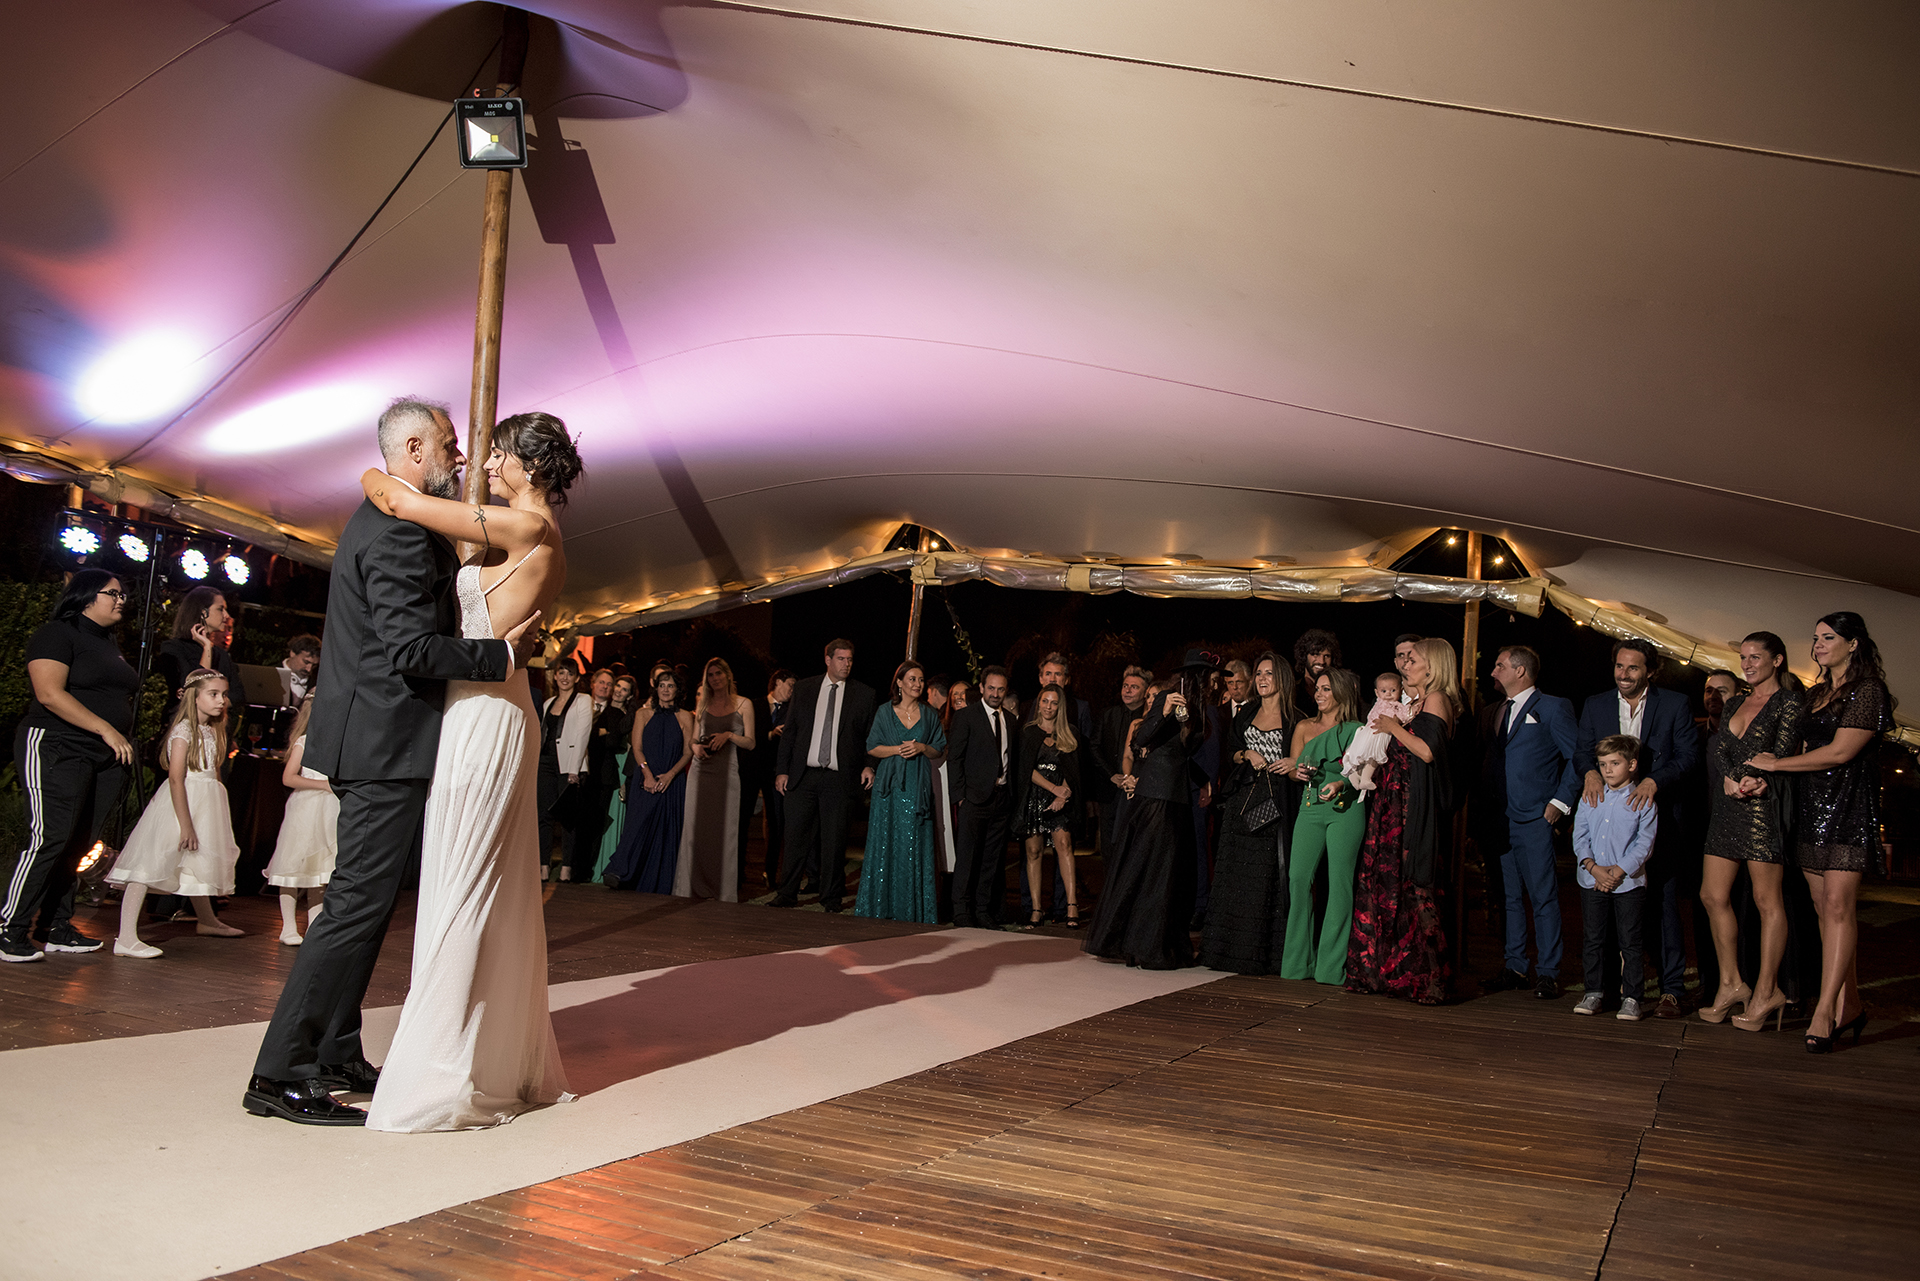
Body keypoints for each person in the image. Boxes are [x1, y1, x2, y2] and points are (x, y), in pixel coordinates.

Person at [246, 397, 544, 1127]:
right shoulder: (399, 533)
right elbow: (410, 649)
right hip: (382, 744)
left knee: (367, 905)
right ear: (414, 451)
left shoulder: (392, 515)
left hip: (378, 739)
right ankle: (280, 1070)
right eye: (448, 444)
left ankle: (336, 1049)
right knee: (352, 906)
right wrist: (502, 655)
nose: (461, 457)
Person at [347, 405, 578, 1131]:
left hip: (488, 715)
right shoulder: (516, 529)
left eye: (498, 454)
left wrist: (370, 468)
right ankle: (482, 1054)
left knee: (467, 884)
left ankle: (444, 1067)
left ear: (531, 466)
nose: (484, 464)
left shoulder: (530, 527)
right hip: (479, 708)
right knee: (472, 882)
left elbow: (400, 499)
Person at [1749, 611, 1895, 1053]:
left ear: (1853, 644)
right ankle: (1850, 1003)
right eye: (1815, 639)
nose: (1818, 645)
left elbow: (1840, 752)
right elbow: (1801, 748)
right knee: (1820, 906)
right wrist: (1763, 775)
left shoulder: (1869, 691)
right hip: (1811, 806)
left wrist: (1775, 764)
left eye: (1828, 638)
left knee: (1837, 906)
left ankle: (1824, 1010)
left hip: (1850, 805)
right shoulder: (1814, 694)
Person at [1, 569, 136, 962]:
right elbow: (48, 692)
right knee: (50, 837)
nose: (121, 600)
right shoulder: (57, 633)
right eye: (113, 593)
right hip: (58, 745)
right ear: (86, 595)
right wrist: (106, 729)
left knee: (79, 843)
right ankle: (10, 928)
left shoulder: (108, 642)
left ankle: (55, 926)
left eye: (123, 594)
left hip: (103, 756)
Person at [1573, 639, 1700, 1019]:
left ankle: (1670, 990)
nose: (1623, 674)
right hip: (1607, 820)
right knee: (1604, 918)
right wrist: (1592, 774)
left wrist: (1653, 781)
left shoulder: (1675, 703)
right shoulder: (1596, 703)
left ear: (1649, 671)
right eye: (1619, 667)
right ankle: (1606, 990)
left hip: (1658, 816)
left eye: (1632, 668)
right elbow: (1582, 751)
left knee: (1663, 906)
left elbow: (1688, 756)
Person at [1696, 632, 1805, 1031]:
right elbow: (1723, 747)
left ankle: (1766, 991)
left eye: (1755, 657)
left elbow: (1784, 748)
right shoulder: (1736, 701)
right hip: (1728, 806)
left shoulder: (1790, 701)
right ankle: (1730, 984)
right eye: (1743, 657)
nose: (1747, 664)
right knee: (1711, 894)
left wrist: (1755, 779)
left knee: (1766, 901)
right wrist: (1729, 776)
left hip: (1763, 805)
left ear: (1777, 660)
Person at [1084, 651, 1216, 969]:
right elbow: (1141, 741)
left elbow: (1185, 751)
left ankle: (1156, 942)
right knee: (1151, 870)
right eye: (1210, 676)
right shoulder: (1166, 699)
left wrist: (1202, 779)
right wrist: (1164, 712)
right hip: (1155, 796)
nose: (1213, 682)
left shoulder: (1201, 711)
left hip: (1177, 796)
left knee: (1170, 874)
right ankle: (1143, 945)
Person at [1346, 637, 1460, 1004]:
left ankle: (1426, 979)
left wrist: (1395, 728)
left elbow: (1427, 752)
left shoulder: (1438, 698)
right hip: (1390, 804)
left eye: (1415, 658)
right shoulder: (1413, 703)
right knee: (1386, 885)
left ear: (1433, 665)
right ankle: (1386, 973)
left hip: (1412, 806)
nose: (1406, 663)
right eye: (1405, 658)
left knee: (1415, 887)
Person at [107, 667, 246, 955]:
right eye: (214, 694)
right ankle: (126, 937)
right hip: (180, 804)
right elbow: (175, 778)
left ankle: (207, 920)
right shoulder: (184, 730)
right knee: (149, 863)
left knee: (198, 861)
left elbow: (214, 774)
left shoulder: (211, 731)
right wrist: (186, 824)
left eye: (224, 694)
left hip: (205, 804)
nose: (222, 700)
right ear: (195, 697)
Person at [1481, 644, 1579, 999]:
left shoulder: (1553, 707)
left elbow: (1576, 757)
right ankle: (1515, 965)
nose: (1493, 672)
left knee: (1543, 897)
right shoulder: (1494, 711)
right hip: (1500, 818)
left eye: (1499, 665)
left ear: (1520, 671)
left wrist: (1560, 802)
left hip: (1535, 817)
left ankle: (1549, 971)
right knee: (1509, 897)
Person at [1200, 651, 1298, 973]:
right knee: (1233, 877)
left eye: (1269, 673)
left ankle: (1262, 955)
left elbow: (1302, 760)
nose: (1262, 679)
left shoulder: (1296, 718)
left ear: (1281, 677)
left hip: (1276, 805)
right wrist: (1248, 753)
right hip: (1242, 803)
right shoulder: (1245, 713)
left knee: (1265, 881)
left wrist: (1292, 764)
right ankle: (1224, 952)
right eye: (1259, 674)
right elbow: (1231, 753)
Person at [772, 639, 876, 913]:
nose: (846, 664)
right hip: (802, 776)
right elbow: (790, 733)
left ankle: (830, 897)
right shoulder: (805, 688)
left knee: (834, 840)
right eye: (841, 659)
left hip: (839, 778)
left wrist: (869, 765)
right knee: (795, 837)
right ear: (828, 660)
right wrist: (782, 770)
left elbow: (869, 737)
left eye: (850, 659)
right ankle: (787, 894)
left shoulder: (863, 694)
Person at [1280, 668, 1367, 983]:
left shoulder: (1358, 729)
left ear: (1341, 693)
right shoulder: (1303, 726)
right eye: (1317, 688)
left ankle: (1330, 968)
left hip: (1345, 808)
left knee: (1340, 884)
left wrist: (1341, 783)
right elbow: (1292, 769)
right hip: (1310, 808)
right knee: (1298, 879)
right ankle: (1296, 963)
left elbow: (1366, 771)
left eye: (1326, 689)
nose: (1318, 694)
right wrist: (1297, 773)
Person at [1572, 735, 1658, 1020]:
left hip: (1628, 883)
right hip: (1592, 879)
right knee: (1594, 939)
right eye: (1602, 764)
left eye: (1615, 763)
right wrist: (1594, 868)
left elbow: (1644, 844)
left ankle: (1632, 996)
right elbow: (1579, 836)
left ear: (1632, 765)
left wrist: (1617, 872)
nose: (1607, 770)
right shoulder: (1590, 797)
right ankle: (1594, 992)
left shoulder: (1643, 802)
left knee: (1630, 942)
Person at [856, 660, 947, 923]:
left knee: (914, 844)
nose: (917, 684)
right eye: (912, 679)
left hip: (917, 787)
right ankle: (881, 908)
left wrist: (921, 748)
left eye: (920, 680)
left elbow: (938, 748)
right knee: (887, 844)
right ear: (899, 683)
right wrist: (897, 749)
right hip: (890, 788)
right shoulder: (885, 712)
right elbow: (872, 746)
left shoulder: (929, 714)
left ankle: (913, 910)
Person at [605, 668, 694, 891]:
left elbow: (687, 752)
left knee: (665, 831)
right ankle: (619, 872)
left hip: (672, 782)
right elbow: (636, 748)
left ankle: (657, 882)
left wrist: (671, 775)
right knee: (636, 826)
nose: (665, 690)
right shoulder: (643, 714)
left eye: (670, 685)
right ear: (656, 688)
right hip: (645, 779)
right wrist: (646, 774)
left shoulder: (685, 717)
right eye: (662, 685)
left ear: (678, 690)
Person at [677, 657, 755, 900]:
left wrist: (729, 735)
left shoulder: (744, 704)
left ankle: (722, 891)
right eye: (710, 675)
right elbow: (692, 739)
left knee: (724, 833)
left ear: (728, 675)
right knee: (695, 832)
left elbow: (751, 743)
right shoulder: (702, 704)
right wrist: (696, 748)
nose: (715, 678)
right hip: (701, 773)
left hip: (726, 775)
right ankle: (690, 888)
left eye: (719, 673)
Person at [945, 666, 1015, 928]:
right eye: (991, 688)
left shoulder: (1010, 719)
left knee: (991, 859)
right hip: (973, 799)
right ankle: (961, 912)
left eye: (1000, 689)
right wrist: (960, 797)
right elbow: (955, 758)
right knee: (967, 857)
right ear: (982, 688)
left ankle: (983, 910)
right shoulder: (966, 717)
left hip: (1001, 798)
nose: (996, 693)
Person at [264, 694, 337, 945]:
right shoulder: (304, 742)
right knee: (293, 866)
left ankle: (315, 926)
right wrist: (324, 785)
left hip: (328, 812)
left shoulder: (335, 742)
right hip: (305, 811)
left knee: (318, 872)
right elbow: (289, 778)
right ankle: (288, 927)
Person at [1015, 683, 1082, 927]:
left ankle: (1072, 906)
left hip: (1061, 798)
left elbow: (1074, 771)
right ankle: (1036, 909)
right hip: (1035, 796)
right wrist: (1052, 789)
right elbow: (1025, 770)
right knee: (1033, 851)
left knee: (1063, 845)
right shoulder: (1028, 732)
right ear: (1038, 703)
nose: (1049, 707)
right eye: (1045, 701)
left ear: (1060, 706)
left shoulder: (1070, 732)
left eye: (1054, 702)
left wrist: (1062, 795)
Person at [156, 585, 245, 749]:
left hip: (216, 736)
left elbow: (238, 694)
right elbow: (193, 688)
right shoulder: (173, 648)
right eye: (221, 609)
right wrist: (207, 649)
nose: (226, 616)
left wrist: (209, 702)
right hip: (183, 734)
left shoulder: (222, 655)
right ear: (203, 612)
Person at [537, 660, 591, 881]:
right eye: (561, 673)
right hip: (546, 762)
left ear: (577, 678)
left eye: (570, 673)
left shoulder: (583, 701)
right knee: (543, 815)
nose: (565, 677)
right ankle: (543, 864)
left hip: (569, 763)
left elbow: (582, 735)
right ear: (555, 677)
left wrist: (574, 769)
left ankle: (567, 866)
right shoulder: (548, 703)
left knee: (568, 817)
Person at [568, 668, 620, 884]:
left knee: (596, 824)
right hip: (581, 771)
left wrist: (604, 735)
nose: (605, 687)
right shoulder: (579, 706)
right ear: (592, 684)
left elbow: (615, 741)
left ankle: (586, 870)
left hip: (604, 776)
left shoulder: (616, 714)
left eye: (609, 684)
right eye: (601, 682)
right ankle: (572, 867)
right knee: (577, 821)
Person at [591, 674, 640, 883]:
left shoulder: (629, 715)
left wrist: (608, 734)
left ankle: (611, 866)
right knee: (605, 816)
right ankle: (598, 866)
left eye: (624, 689)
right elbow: (605, 739)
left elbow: (615, 737)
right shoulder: (604, 711)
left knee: (618, 814)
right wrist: (606, 735)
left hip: (621, 766)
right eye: (617, 686)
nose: (619, 691)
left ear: (630, 695)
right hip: (607, 765)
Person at [1097, 667, 1151, 853]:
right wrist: (1111, 775)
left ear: (1146, 693)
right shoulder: (1107, 714)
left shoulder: (1148, 721)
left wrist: (1131, 779)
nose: (1127, 690)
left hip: (1137, 788)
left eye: (1134, 687)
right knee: (1108, 844)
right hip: (1109, 790)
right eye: (1125, 685)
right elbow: (1094, 748)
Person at [751, 669, 796, 893]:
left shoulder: (791, 710)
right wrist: (770, 734)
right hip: (753, 770)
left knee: (777, 823)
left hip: (776, 772)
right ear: (778, 682)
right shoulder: (755, 705)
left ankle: (771, 872)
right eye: (790, 684)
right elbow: (749, 735)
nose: (792, 690)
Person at [1340, 671, 1409, 792]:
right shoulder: (1383, 704)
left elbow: (1403, 715)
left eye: (1393, 690)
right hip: (1377, 733)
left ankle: (1358, 776)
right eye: (1384, 691)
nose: (1388, 694)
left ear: (1401, 690)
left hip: (1375, 732)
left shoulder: (1396, 705)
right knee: (1372, 756)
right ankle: (1363, 778)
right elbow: (1400, 716)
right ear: (1377, 692)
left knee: (1367, 756)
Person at [1293, 629, 1341, 715]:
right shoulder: (1292, 691)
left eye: (1326, 656)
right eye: (1315, 654)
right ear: (1304, 656)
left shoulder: (1339, 691)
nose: (1321, 661)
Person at [277, 634, 321, 706]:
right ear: (293, 653)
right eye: (306, 662)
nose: (309, 669)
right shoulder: (271, 674)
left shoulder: (317, 683)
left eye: (314, 665)